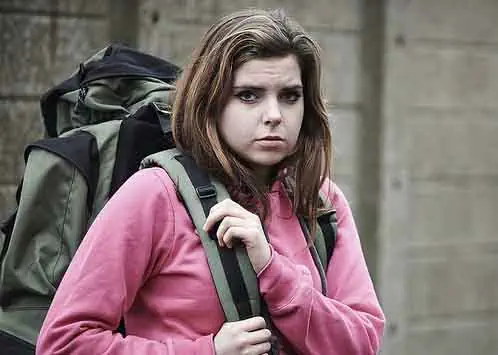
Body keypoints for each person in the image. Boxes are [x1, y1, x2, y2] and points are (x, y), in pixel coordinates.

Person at [36, 8, 385, 355]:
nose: (275, 116)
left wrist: (274, 270)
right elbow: (63, 343)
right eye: (248, 95)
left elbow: (362, 343)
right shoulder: (155, 195)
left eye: (290, 96)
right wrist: (207, 351)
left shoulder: (320, 200)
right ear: (211, 102)